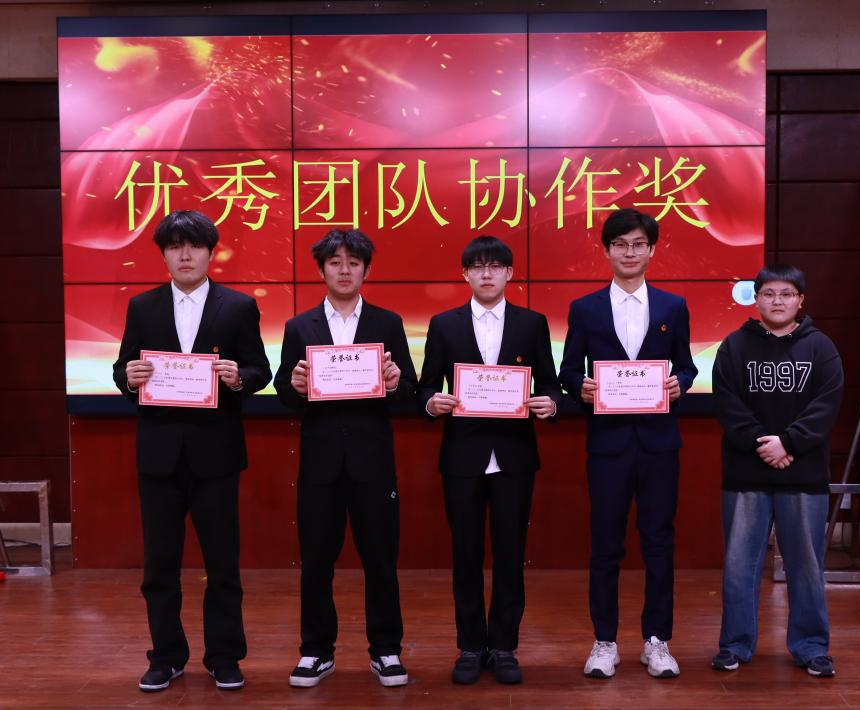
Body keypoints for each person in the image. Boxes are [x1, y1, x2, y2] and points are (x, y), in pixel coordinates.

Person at [112, 209, 272, 693]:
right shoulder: (142, 306)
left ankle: (224, 657)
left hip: (215, 455)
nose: (185, 255)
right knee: (159, 565)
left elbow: (260, 369)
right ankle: (166, 657)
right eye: (175, 246)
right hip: (159, 456)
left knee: (222, 564)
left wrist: (238, 377)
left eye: (194, 246)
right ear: (163, 255)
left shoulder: (238, 307)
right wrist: (129, 379)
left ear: (210, 253)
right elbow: (123, 369)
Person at [273, 229, 417, 688]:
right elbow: (283, 390)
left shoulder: (387, 323)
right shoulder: (299, 327)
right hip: (320, 464)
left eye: (353, 262)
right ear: (321, 270)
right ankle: (316, 651)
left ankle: (386, 650)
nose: (344, 270)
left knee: (381, 561)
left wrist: (394, 383)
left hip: (373, 462)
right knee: (316, 562)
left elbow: (408, 389)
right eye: (335, 262)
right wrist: (296, 388)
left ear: (366, 270)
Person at [558, 207, 698, 680]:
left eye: (639, 244)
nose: (630, 252)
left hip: (659, 444)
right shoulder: (586, 308)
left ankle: (657, 641)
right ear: (607, 251)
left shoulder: (673, 306)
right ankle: (605, 641)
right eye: (621, 244)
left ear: (652, 250)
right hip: (608, 444)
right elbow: (568, 369)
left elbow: (687, 366)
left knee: (659, 542)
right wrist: (580, 387)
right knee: (605, 545)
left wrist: (680, 383)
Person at [417, 235, 564, 685]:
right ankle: (469, 645)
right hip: (462, 457)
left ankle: (503, 646)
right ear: (465, 274)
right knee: (465, 555)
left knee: (510, 554)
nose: (486, 274)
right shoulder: (444, 324)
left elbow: (551, 384)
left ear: (509, 273)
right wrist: (432, 403)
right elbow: (425, 386)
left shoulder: (531, 323)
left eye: (495, 266)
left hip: (514, 457)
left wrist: (551, 404)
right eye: (477, 267)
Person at [709, 263, 843, 679]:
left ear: (800, 300)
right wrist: (763, 444)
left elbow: (826, 405)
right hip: (746, 474)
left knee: (806, 566)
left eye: (786, 294)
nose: (777, 301)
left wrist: (789, 443)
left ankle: (811, 647)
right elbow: (727, 404)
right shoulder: (734, 346)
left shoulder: (821, 348)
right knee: (739, 566)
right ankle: (734, 645)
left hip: (803, 475)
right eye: (769, 294)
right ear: (757, 299)